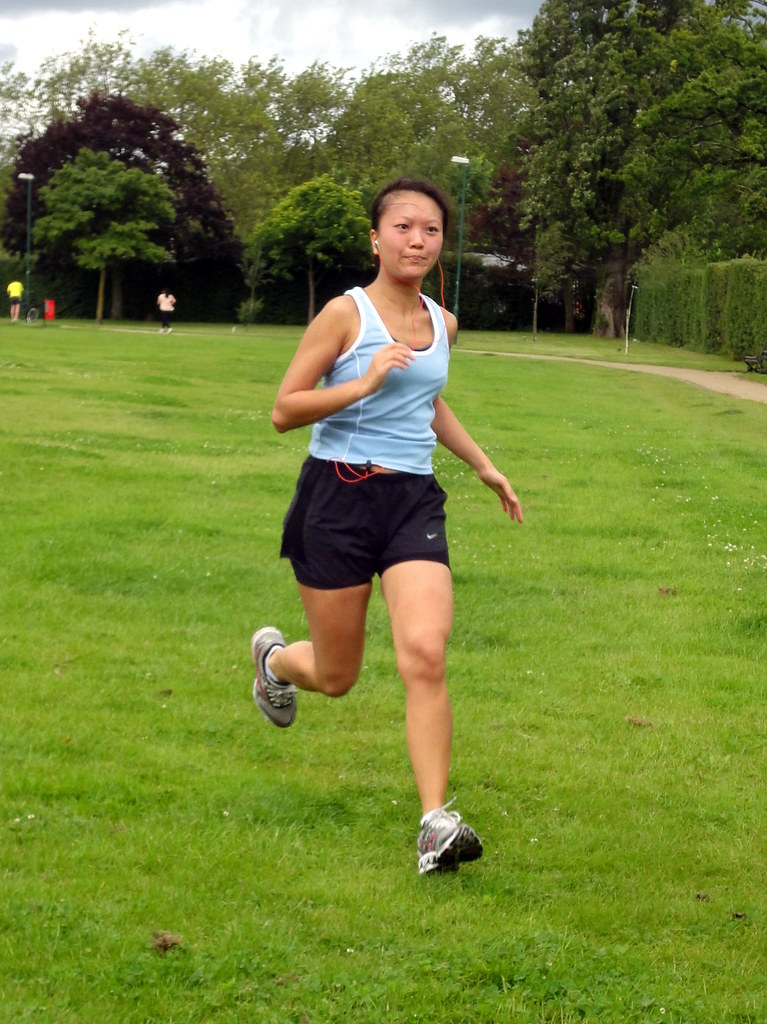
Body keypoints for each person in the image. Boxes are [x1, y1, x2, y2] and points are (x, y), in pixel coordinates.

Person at [251, 177, 523, 875]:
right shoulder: (344, 316)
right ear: (376, 238)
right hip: (335, 500)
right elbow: (285, 409)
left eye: (430, 230)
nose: (417, 240)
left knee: (425, 654)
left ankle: (434, 823)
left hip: (410, 502)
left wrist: (484, 465)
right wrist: (363, 382)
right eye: (403, 227)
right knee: (337, 676)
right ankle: (275, 663)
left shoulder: (443, 321)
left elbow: (428, 402)